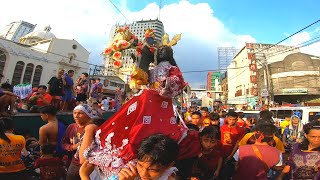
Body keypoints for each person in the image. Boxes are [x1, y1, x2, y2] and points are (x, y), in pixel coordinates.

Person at [80, 134, 180, 180]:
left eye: (153, 170)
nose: (144, 174)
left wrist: (84, 177)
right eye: (140, 166)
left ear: (169, 165)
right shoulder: (128, 172)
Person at [62, 104, 94, 180]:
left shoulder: (93, 128)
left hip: (89, 164)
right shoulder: (71, 127)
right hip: (75, 162)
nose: (76, 116)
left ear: (88, 114)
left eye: (80, 113)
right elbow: (64, 143)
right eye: (75, 113)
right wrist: (72, 147)